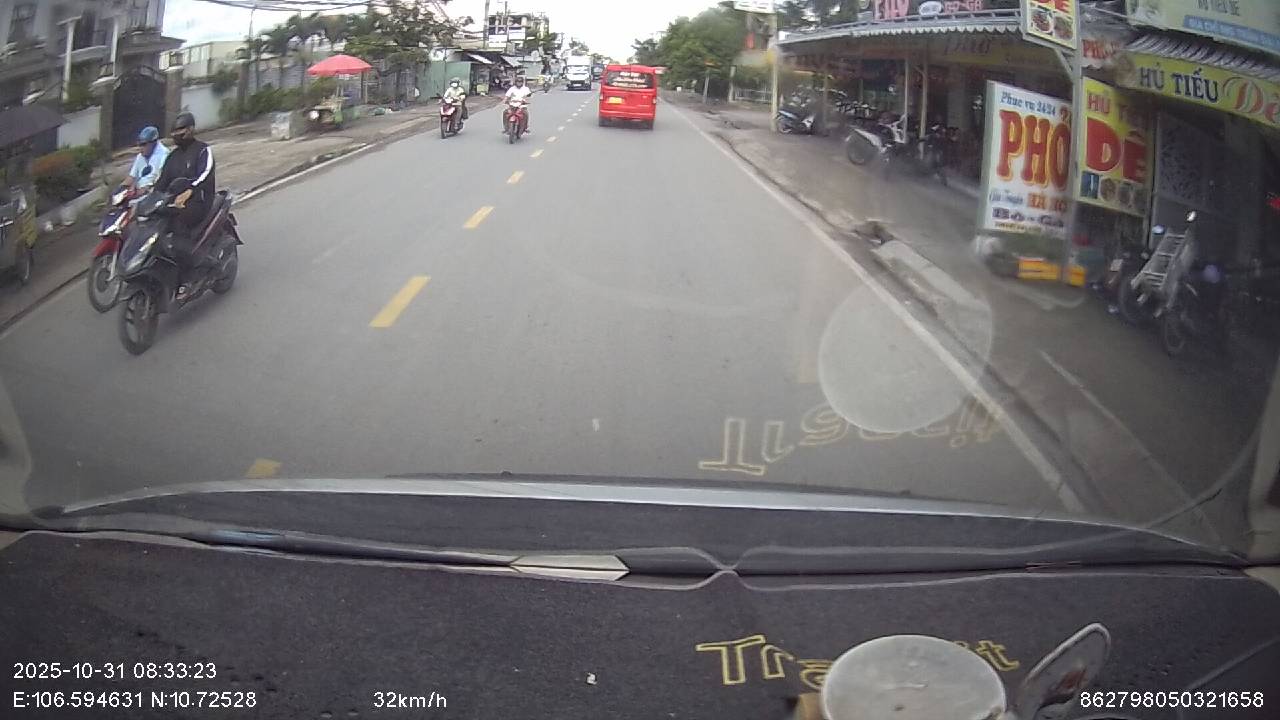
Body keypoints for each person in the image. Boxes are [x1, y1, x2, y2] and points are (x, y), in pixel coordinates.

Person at [154, 112, 216, 299]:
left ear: (190, 130)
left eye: (181, 130)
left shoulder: (203, 150)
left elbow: (205, 173)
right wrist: (148, 200)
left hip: (199, 201)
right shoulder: (172, 157)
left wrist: (191, 190)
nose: (176, 134)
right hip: (174, 203)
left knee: (178, 226)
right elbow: (161, 183)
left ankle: (191, 275)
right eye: (174, 131)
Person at [123, 126, 169, 191]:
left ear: (153, 143)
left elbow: (161, 181)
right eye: (139, 145)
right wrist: (120, 188)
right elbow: (131, 177)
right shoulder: (140, 156)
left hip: (155, 192)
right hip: (138, 191)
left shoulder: (164, 155)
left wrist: (145, 189)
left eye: (144, 144)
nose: (140, 148)